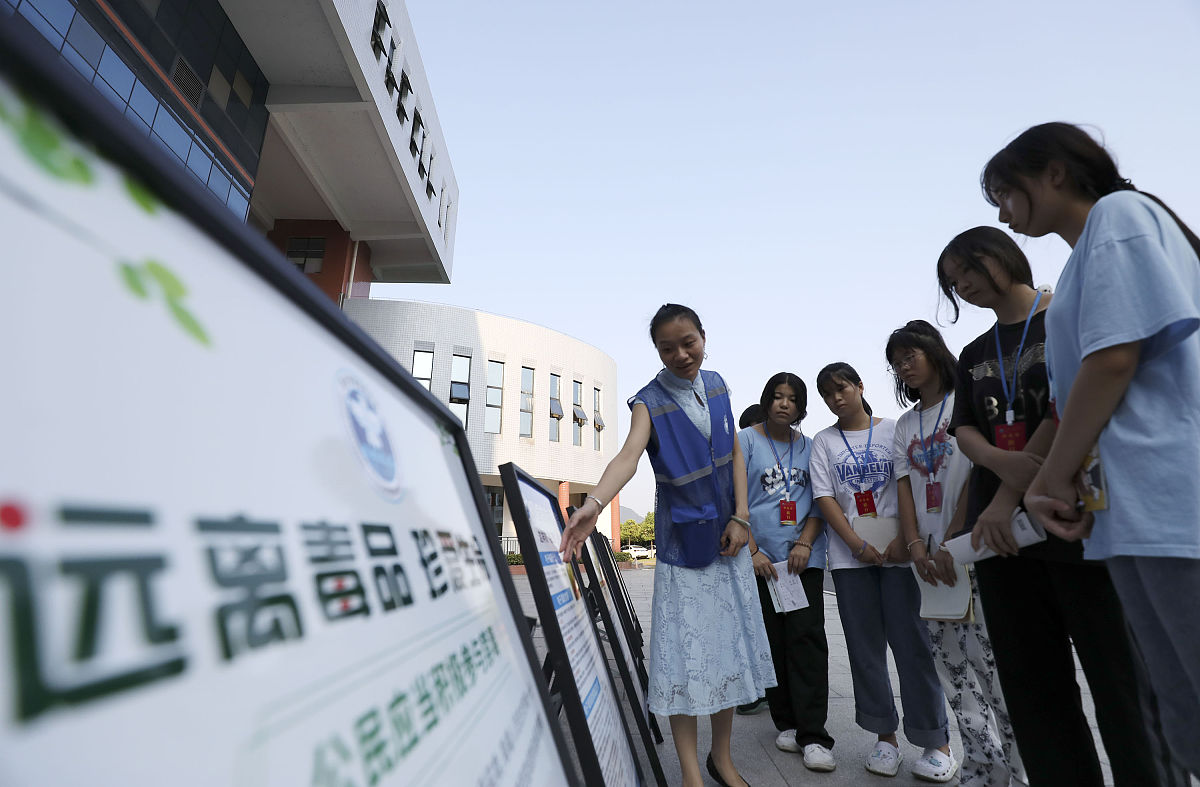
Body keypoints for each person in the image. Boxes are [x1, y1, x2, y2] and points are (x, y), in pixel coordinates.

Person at [982, 121, 1200, 780]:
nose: (1002, 212)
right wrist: (1066, 480)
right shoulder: (1081, 262)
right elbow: (1083, 388)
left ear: (1052, 171)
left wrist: (1051, 476)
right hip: (1132, 508)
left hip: (1173, 500)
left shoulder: (1120, 217)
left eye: (1005, 192)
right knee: (1179, 707)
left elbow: (1112, 361)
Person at [937, 225, 1159, 785]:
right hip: (1004, 536)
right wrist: (1001, 463)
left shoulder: (1065, 317)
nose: (964, 285)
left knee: (1120, 684)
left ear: (1001, 255)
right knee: (1034, 691)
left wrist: (1011, 486)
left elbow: (1069, 409)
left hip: (1077, 523)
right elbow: (963, 427)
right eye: (954, 281)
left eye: (969, 269)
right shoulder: (975, 351)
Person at [559, 304, 774, 787]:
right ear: (657, 351)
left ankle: (723, 759)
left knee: (726, 659)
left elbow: (736, 454)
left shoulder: (718, 385)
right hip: (684, 552)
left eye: (688, 343)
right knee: (685, 665)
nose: (681, 354)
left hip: (730, 544)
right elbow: (629, 456)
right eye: (667, 348)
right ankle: (691, 775)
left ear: (703, 337)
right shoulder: (648, 402)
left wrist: (742, 516)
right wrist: (594, 503)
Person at [887, 320, 1025, 787]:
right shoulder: (904, 425)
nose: (905, 367)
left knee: (996, 671)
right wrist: (914, 548)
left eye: (911, 355)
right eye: (897, 362)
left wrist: (952, 540)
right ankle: (983, 768)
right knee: (954, 673)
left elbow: (974, 476)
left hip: (973, 550)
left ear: (934, 351)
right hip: (927, 562)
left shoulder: (962, 404)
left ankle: (1022, 769)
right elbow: (904, 490)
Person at [809, 362, 955, 782]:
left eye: (842, 388)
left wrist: (904, 541)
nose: (837, 398)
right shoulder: (824, 441)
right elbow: (825, 497)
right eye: (828, 394)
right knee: (865, 649)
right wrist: (855, 545)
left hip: (899, 553)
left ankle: (936, 743)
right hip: (850, 559)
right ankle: (884, 739)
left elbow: (907, 485)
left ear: (859, 386)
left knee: (913, 645)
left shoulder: (895, 429)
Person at [738, 372, 836, 772]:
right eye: (777, 397)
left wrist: (804, 543)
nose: (783, 404)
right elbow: (735, 499)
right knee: (773, 643)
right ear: (766, 400)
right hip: (762, 563)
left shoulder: (810, 447)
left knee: (807, 643)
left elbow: (819, 503)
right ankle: (787, 722)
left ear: (800, 406)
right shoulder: (746, 440)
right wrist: (753, 551)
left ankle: (814, 735)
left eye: (792, 399)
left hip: (801, 562)